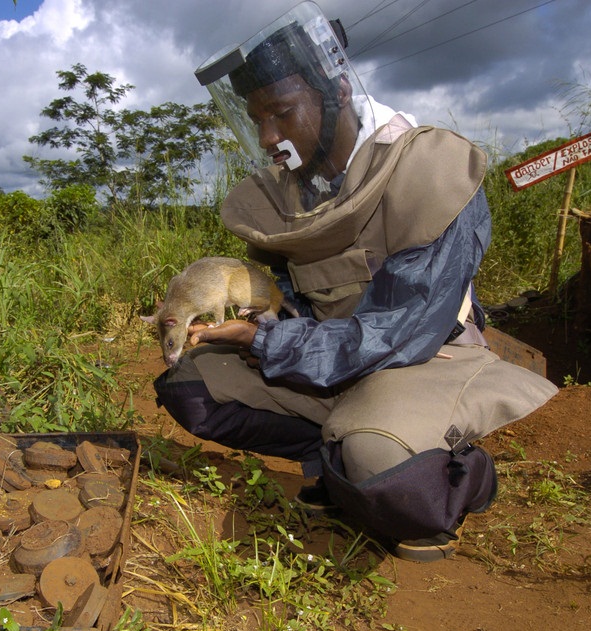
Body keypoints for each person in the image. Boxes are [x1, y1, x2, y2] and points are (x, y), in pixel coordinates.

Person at [153, 1, 558, 562]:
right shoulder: (291, 191)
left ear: (336, 92)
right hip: (326, 362)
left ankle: (456, 473)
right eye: (257, 122)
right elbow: (293, 293)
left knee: (375, 461)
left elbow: (402, 333)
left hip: (423, 362)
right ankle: (330, 455)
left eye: (283, 113)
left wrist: (267, 342)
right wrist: (261, 317)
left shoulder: (429, 172)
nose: (270, 136)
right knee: (190, 387)